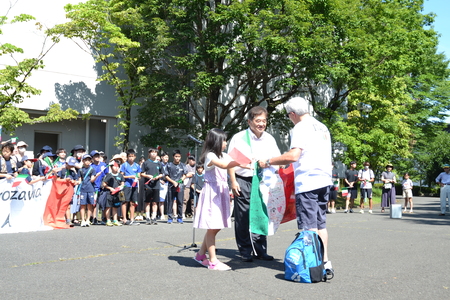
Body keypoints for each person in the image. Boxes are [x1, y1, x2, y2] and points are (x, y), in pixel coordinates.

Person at [258, 96, 333, 272]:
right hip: (324, 180)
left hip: (308, 182)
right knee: (321, 224)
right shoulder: (322, 126)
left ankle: (312, 266)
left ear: (292, 114)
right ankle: (325, 262)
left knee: (309, 226)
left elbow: (294, 156)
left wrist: (268, 161)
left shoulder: (300, 127)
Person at [228, 106, 281, 262]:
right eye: (258, 121)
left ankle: (261, 250)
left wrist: (271, 165)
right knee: (243, 216)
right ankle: (245, 250)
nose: (261, 124)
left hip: (264, 181)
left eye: (264, 121)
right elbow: (230, 161)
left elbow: (277, 159)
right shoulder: (239, 137)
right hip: (243, 180)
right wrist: (233, 181)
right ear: (249, 121)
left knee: (261, 215)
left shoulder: (269, 139)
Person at [193, 128, 240, 271]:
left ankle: (201, 255)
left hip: (221, 191)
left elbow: (230, 167)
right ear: (216, 141)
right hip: (212, 192)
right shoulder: (210, 155)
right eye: (224, 140)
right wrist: (242, 162)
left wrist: (234, 182)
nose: (226, 143)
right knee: (213, 226)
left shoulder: (223, 155)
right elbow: (225, 165)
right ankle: (212, 261)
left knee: (216, 226)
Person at [140, 148, 163, 225]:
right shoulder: (146, 163)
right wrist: (148, 175)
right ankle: (147, 217)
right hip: (148, 185)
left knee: (155, 202)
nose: (154, 154)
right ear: (149, 153)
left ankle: (154, 217)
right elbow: (141, 173)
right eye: (152, 152)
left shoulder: (159, 163)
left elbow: (162, 173)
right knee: (147, 202)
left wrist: (158, 177)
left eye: (155, 152)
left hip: (156, 185)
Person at [164, 150, 187, 224]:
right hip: (171, 186)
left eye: (179, 156)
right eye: (176, 156)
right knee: (170, 202)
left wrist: (179, 182)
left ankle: (180, 218)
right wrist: (173, 182)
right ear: (173, 157)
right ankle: (170, 218)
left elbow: (185, 175)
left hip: (180, 186)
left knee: (180, 202)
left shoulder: (183, 165)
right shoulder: (169, 165)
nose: (177, 158)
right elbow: (166, 176)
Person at [79, 154, 102, 227]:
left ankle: (88, 220)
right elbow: (79, 180)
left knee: (89, 205)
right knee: (82, 205)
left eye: (89, 160)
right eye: (86, 160)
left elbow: (92, 180)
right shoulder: (80, 170)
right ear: (83, 161)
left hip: (90, 189)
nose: (87, 162)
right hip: (82, 189)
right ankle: (82, 220)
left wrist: (97, 176)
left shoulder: (92, 169)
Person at [120, 149, 141, 225]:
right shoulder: (124, 165)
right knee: (125, 202)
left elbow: (139, 176)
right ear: (127, 157)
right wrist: (129, 176)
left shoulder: (137, 165)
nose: (131, 158)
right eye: (129, 156)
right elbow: (121, 176)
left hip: (134, 186)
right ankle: (124, 219)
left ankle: (132, 219)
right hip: (126, 186)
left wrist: (136, 177)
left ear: (135, 157)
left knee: (133, 202)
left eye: (132, 156)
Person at [102, 160, 125, 226]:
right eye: (115, 166)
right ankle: (108, 220)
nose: (116, 168)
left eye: (118, 166)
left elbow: (122, 183)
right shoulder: (109, 175)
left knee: (115, 207)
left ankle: (115, 220)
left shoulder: (120, 175)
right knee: (108, 207)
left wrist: (120, 187)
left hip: (117, 194)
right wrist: (110, 188)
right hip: (110, 193)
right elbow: (104, 184)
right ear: (111, 167)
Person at [90, 150, 109, 224]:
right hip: (94, 186)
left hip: (102, 186)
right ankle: (94, 218)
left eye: (98, 156)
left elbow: (107, 175)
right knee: (94, 203)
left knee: (103, 202)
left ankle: (103, 218)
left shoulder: (103, 165)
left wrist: (105, 183)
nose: (97, 157)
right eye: (95, 156)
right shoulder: (91, 166)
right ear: (92, 158)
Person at [158, 152, 169, 220]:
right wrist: (159, 180)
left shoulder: (169, 165)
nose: (166, 159)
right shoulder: (158, 165)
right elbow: (156, 173)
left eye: (167, 157)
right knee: (161, 200)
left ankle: (170, 214)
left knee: (170, 200)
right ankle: (161, 214)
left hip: (168, 183)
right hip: (161, 183)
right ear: (162, 157)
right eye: (165, 157)